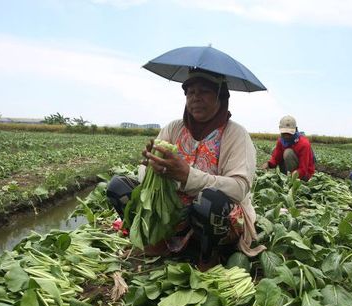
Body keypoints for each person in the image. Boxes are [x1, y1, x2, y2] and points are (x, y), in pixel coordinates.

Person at [107, 68, 265, 268]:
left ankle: (209, 255)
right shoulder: (174, 128)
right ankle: (154, 242)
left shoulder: (236, 135)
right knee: (118, 187)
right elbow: (143, 172)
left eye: (204, 91)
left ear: (221, 95)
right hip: (173, 212)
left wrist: (187, 176)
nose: (195, 98)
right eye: (190, 92)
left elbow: (239, 188)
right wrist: (152, 169)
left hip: (213, 216)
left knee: (210, 201)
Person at [261, 115, 315, 181]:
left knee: (288, 153)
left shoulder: (303, 144)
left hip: (305, 174)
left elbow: (303, 168)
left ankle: (294, 180)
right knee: (276, 151)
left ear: (296, 130)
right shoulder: (281, 141)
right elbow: (276, 158)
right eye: (284, 133)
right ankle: (284, 179)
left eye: (289, 133)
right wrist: (268, 164)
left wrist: (296, 174)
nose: (286, 136)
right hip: (293, 172)